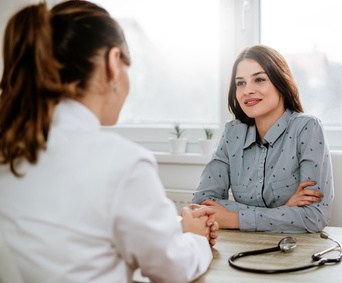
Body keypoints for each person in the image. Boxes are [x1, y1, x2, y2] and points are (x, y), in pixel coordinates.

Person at [0, 1, 217, 282]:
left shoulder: (11, 149)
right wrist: (196, 239)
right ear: (113, 63)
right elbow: (172, 269)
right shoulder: (122, 162)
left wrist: (176, 228)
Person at [192, 45, 334, 233]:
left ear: (280, 83)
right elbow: (202, 203)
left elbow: (314, 216)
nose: (247, 90)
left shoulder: (307, 128)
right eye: (240, 83)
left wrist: (233, 218)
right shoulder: (232, 133)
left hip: (296, 252)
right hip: (244, 248)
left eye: (259, 80)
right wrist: (283, 212)